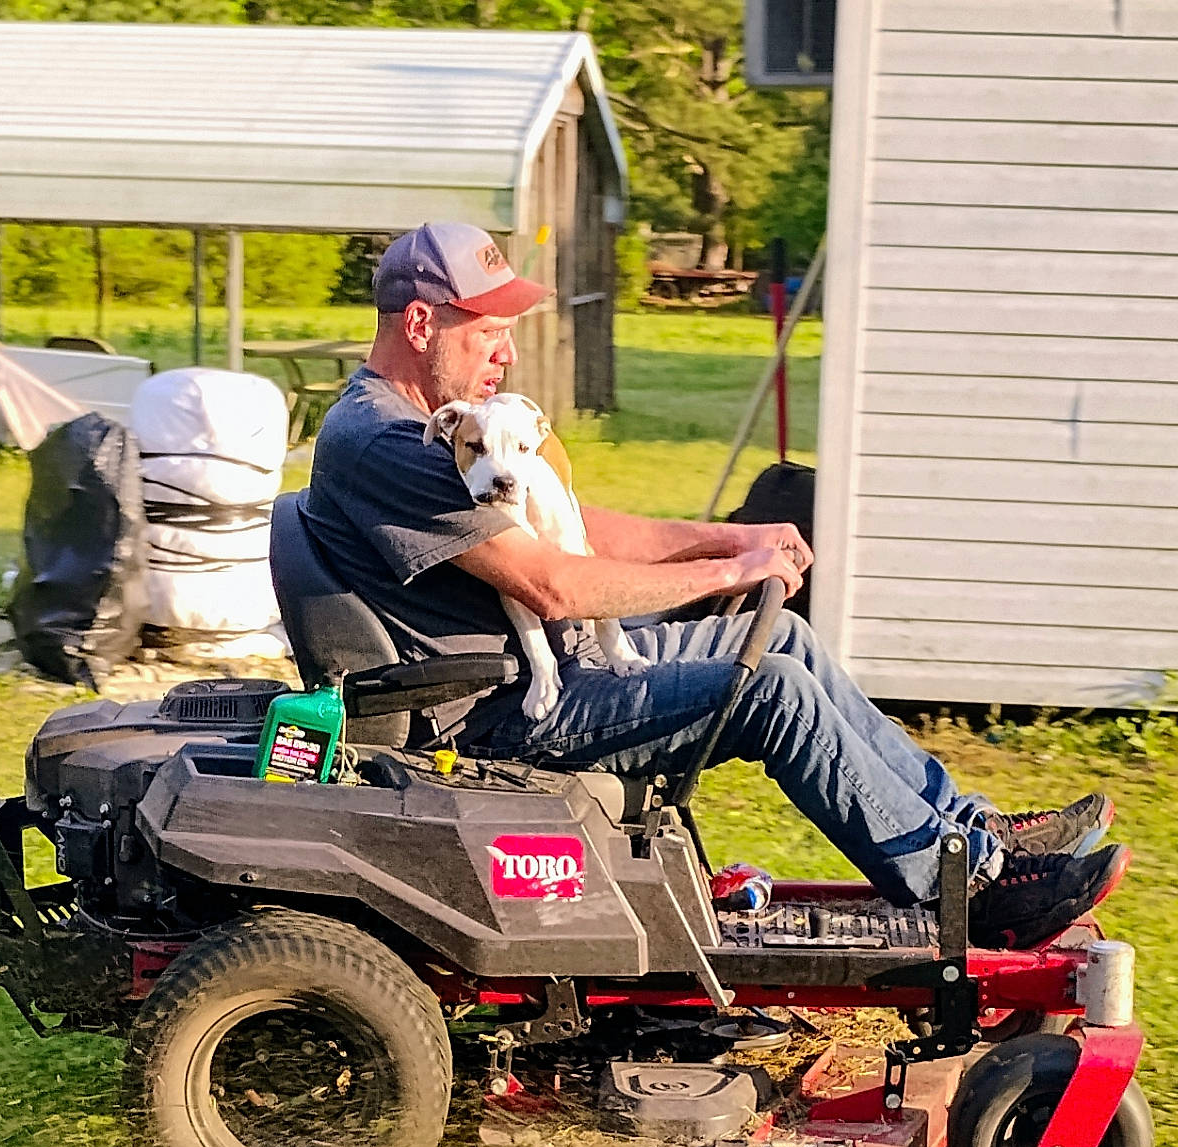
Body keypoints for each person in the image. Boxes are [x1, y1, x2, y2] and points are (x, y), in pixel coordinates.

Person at [302, 222, 1128, 949]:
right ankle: (970, 894)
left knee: (784, 637)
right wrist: (729, 573)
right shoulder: (390, 442)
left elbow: (571, 524)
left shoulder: (429, 432)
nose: (507, 353)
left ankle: (970, 833)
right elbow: (551, 585)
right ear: (419, 324)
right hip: (498, 713)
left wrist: (733, 536)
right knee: (766, 686)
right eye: (488, 332)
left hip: (553, 667)